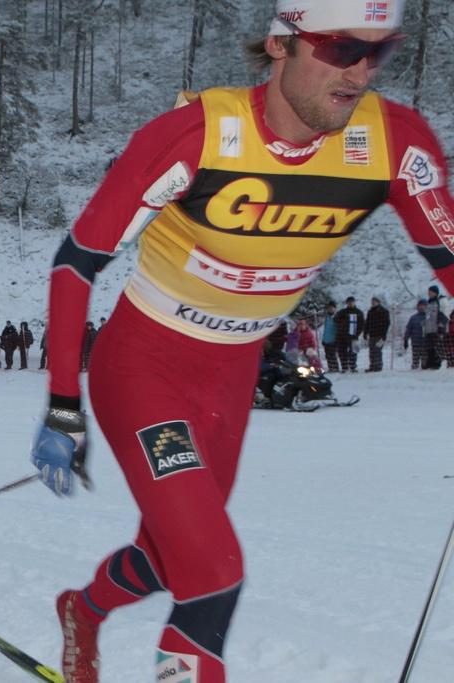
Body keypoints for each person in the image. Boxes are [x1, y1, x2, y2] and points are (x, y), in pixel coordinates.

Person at [29, 2, 454, 680]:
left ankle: (82, 608)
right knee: (213, 572)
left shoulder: (393, 142)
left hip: (233, 373)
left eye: (382, 51)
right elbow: (77, 260)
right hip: (145, 367)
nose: (362, 72)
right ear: (281, 44)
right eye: (344, 48)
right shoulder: (197, 134)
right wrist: (61, 404)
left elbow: (448, 256)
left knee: (175, 553)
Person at [334, 296, 364, 372]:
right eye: (349, 302)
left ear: (354, 302)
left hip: (354, 335)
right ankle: (344, 367)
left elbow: (362, 324)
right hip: (342, 336)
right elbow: (335, 320)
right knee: (342, 352)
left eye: (352, 302)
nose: (350, 303)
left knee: (353, 352)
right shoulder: (342, 312)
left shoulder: (359, 312)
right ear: (347, 303)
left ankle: (353, 367)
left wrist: (357, 333)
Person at [363, 296, 390, 371]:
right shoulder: (370, 312)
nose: (373, 303)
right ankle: (372, 366)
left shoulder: (384, 311)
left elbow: (387, 323)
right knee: (372, 352)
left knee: (378, 351)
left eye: (374, 301)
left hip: (380, 335)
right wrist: (365, 333)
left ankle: (378, 367)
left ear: (378, 302)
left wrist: (384, 335)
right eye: (372, 302)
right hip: (372, 335)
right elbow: (367, 323)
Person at [403, 299, 428, 369]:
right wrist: (405, 340)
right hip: (415, 343)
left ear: (426, 307)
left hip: (426, 343)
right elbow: (409, 329)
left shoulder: (429, 317)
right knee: (415, 362)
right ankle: (413, 375)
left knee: (425, 363)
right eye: (420, 306)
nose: (421, 307)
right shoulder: (413, 318)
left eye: (423, 305)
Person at [321, 301, 339, 372]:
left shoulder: (336, 317)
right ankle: (331, 368)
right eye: (329, 308)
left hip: (333, 340)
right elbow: (325, 329)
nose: (330, 309)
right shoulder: (326, 318)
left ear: (334, 308)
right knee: (328, 356)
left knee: (333, 355)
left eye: (332, 308)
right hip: (326, 340)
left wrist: (337, 339)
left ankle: (335, 368)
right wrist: (323, 339)